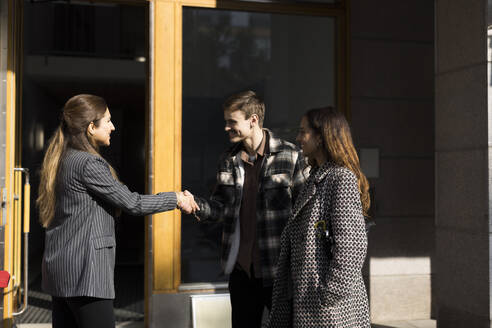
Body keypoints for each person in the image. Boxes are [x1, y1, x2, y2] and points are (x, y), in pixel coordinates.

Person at [37, 94, 199, 328]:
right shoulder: (89, 164)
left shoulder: (63, 158)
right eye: (108, 121)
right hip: (86, 274)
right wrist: (175, 198)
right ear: (91, 127)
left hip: (61, 272)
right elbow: (132, 203)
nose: (113, 127)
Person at [192, 90, 307, 328]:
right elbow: (221, 208)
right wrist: (196, 206)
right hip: (242, 272)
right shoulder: (228, 159)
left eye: (231, 122)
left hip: (280, 272)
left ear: (253, 120)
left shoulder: (291, 156)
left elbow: (304, 215)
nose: (226, 127)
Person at [267, 107, 371, 328]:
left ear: (321, 137)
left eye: (303, 132)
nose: (297, 138)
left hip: (330, 310)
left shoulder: (340, 178)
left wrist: (329, 294)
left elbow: (352, 245)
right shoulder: (316, 176)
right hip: (310, 302)